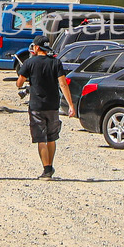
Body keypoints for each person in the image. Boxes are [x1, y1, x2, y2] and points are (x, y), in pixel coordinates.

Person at [15, 35, 76, 181]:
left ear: (36, 47)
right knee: (51, 137)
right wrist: (71, 105)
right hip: (53, 105)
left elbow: (19, 83)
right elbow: (63, 84)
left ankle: (47, 169)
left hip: (36, 105)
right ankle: (50, 165)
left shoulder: (29, 62)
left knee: (41, 139)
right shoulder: (55, 62)